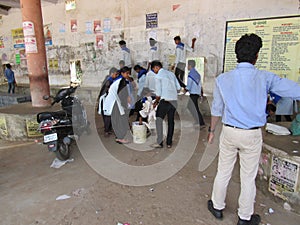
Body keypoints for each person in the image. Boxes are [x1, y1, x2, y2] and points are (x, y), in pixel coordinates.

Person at [207, 33, 300, 225]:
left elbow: (217, 109)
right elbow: (293, 90)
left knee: (223, 171)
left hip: (229, 132)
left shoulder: (222, 79)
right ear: (256, 56)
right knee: (248, 177)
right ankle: (245, 217)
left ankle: (217, 207)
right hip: (251, 134)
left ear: (236, 55)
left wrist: (211, 131)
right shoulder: (265, 77)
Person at [151, 61, 181, 148]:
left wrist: (156, 102)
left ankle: (159, 142)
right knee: (171, 121)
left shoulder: (158, 76)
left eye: (154, 69)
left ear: (156, 67)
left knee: (159, 120)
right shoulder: (171, 74)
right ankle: (169, 142)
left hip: (165, 101)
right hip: (174, 101)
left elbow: (158, 93)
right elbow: (178, 88)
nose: (154, 71)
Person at [103, 66, 132, 144]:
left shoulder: (120, 80)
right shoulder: (121, 81)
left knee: (118, 119)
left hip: (115, 102)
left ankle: (119, 136)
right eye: (126, 73)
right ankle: (119, 138)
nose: (128, 75)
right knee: (119, 120)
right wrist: (126, 102)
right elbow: (121, 94)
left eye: (129, 73)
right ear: (122, 73)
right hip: (114, 103)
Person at [97, 67, 119, 137]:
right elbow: (107, 91)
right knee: (107, 116)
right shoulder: (108, 81)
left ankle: (108, 128)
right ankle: (106, 131)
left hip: (106, 100)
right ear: (111, 74)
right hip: (105, 100)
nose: (116, 76)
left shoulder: (109, 79)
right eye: (115, 74)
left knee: (108, 115)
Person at [186, 60, 205, 128]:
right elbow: (200, 84)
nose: (187, 66)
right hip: (197, 93)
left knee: (193, 108)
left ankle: (201, 123)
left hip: (193, 93)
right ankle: (198, 121)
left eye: (187, 65)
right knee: (192, 107)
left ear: (190, 66)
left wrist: (184, 89)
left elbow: (188, 86)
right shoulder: (197, 74)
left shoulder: (191, 74)